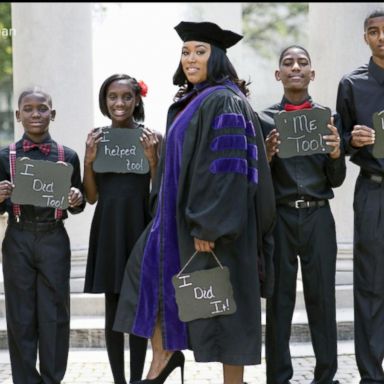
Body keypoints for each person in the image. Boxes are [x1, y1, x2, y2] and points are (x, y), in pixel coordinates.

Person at [114, 21, 275, 384]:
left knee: (227, 308)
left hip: (214, 225)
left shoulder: (224, 99)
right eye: (185, 52)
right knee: (147, 277)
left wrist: (210, 224)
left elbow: (229, 169)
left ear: (216, 57)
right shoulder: (194, 100)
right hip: (176, 221)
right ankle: (164, 358)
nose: (190, 58)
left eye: (199, 51)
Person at [259, 45, 345, 384]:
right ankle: (278, 377)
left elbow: (335, 180)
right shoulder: (264, 120)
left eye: (303, 62)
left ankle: (326, 376)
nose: (296, 67)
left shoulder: (328, 118)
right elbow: (257, 182)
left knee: (322, 298)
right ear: (278, 74)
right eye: (288, 63)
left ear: (312, 73)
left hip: (318, 216)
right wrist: (265, 156)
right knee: (279, 301)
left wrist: (336, 153)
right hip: (280, 218)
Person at [0, 87, 85, 384]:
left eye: (42, 108)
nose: (36, 114)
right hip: (18, 237)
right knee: (20, 316)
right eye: (29, 109)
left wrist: (76, 197)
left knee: (55, 315)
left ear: (53, 113)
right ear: (18, 115)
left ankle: (52, 379)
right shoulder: (4, 156)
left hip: (53, 238)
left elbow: (78, 201)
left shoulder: (68, 155)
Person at [83, 74, 161, 384]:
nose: (119, 103)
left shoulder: (151, 137)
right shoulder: (97, 139)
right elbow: (90, 196)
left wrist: (153, 161)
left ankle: (137, 378)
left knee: (139, 304)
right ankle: (118, 380)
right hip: (109, 228)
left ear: (137, 100)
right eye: (112, 97)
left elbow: (159, 192)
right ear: (104, 101)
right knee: (113, 306)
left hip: (140, 225)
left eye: (126, 97)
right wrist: (88, 161)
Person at [336, 9, 384, 383]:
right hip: (373, 189)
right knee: (369, 283)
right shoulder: (351, 84)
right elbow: (340, 142)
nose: (381, 37)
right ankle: (370, 374)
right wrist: (353, 141)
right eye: (373, 31)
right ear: (365, 37)